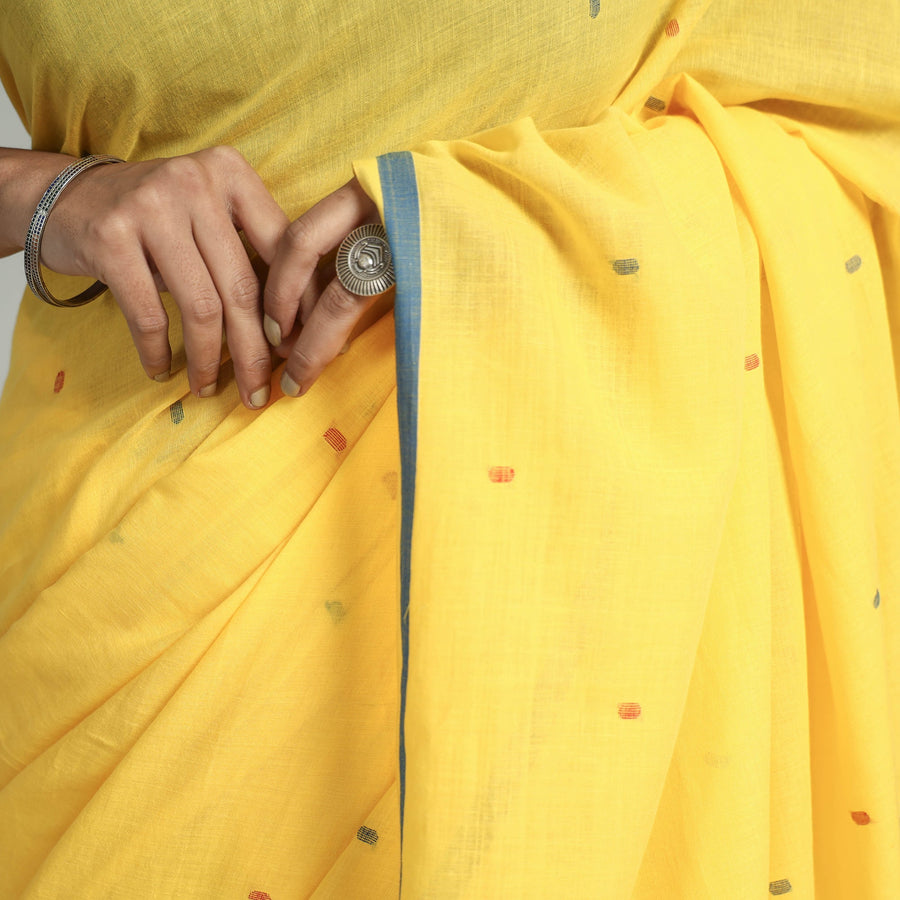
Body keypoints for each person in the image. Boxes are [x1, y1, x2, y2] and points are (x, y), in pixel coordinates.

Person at [1, 0, 898, 896]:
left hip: (589, 593)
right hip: (131, 569)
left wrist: (471, 228)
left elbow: (865, 91)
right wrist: (49, 195)